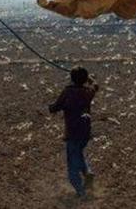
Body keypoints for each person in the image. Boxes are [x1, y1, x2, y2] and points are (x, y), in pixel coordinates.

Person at [49, 66, 99, 198]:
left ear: (72, 79)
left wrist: (51, 108)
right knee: (79, 152)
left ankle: (80, 191)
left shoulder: (68, 92)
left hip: (72, 132)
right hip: (85, 131)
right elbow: (96, 85)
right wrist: (90, 79)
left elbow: (56, 107)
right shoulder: (87, 92)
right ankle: (87, 172)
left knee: (72, 163)